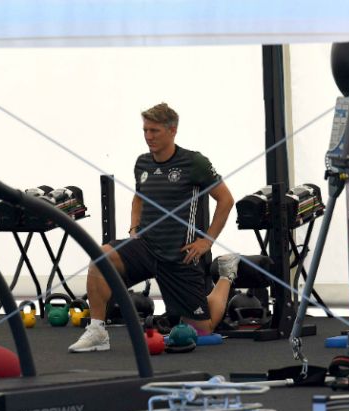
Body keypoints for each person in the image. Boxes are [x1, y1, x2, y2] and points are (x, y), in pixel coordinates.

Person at [69, 102, 240, 352]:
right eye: (145, 130)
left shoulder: (195, 162)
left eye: (155, 131)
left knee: (204, 329)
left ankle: (226, 275)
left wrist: (207, 241)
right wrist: (133, 227)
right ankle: (97, 331)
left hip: (181, 255)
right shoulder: (142, 164)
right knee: (100, 258)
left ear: (172, 131)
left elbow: (225, 200)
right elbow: (139, 197)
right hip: (146, 247)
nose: (149, 137)